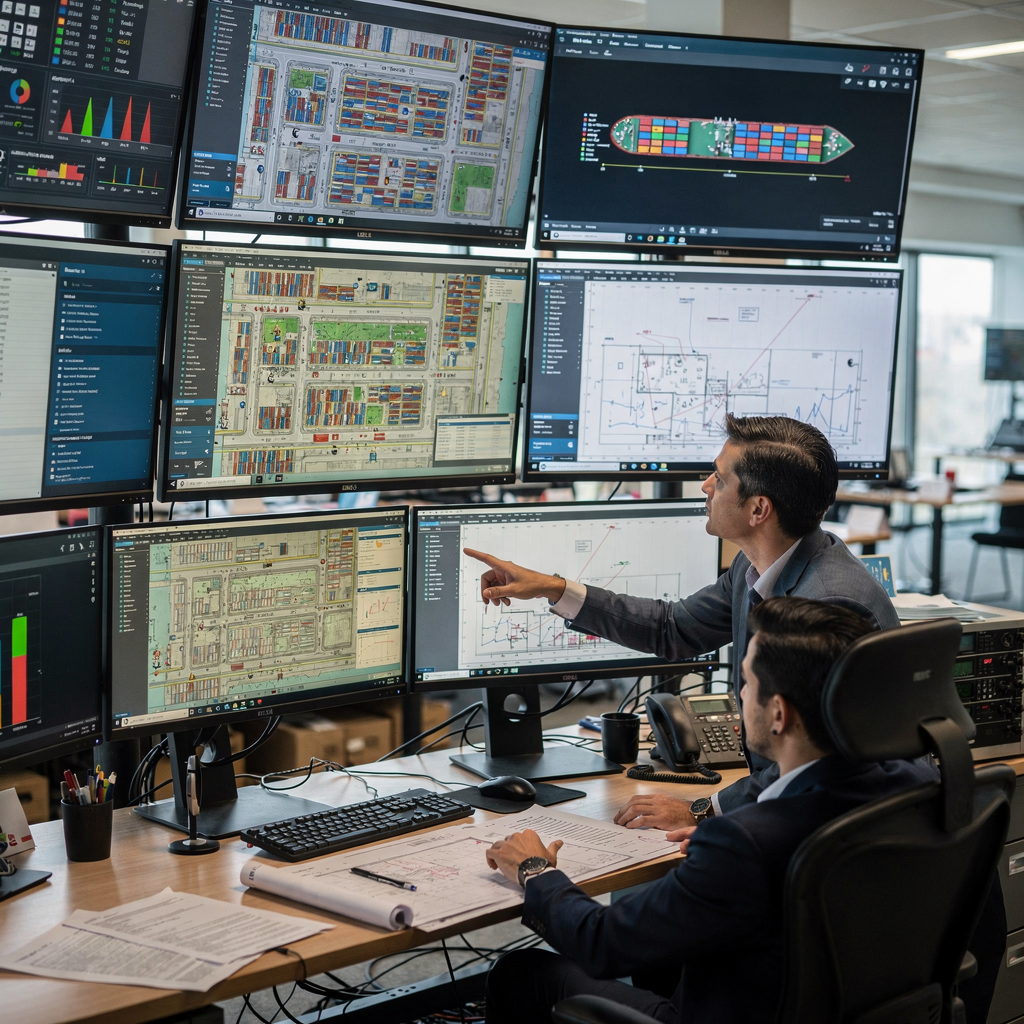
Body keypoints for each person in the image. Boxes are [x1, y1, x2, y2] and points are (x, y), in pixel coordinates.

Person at [481, 598, 950, 1024]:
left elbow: (603, 944)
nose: (739, 697)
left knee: (520, 972)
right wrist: (714, 865)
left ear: (780, 714)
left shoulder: (744, 842)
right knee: (664, 959)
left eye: (745, 683)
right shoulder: (920, 783)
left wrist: (535, 870)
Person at [466, 413, 899, 814]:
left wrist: (705, 809)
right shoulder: (760, 565)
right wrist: (553, 588)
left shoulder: (825, 607)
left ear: (758, 510)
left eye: (720, 478)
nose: (705, 485)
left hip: (829, 828)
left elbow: (807, 769)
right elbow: (673, 628)